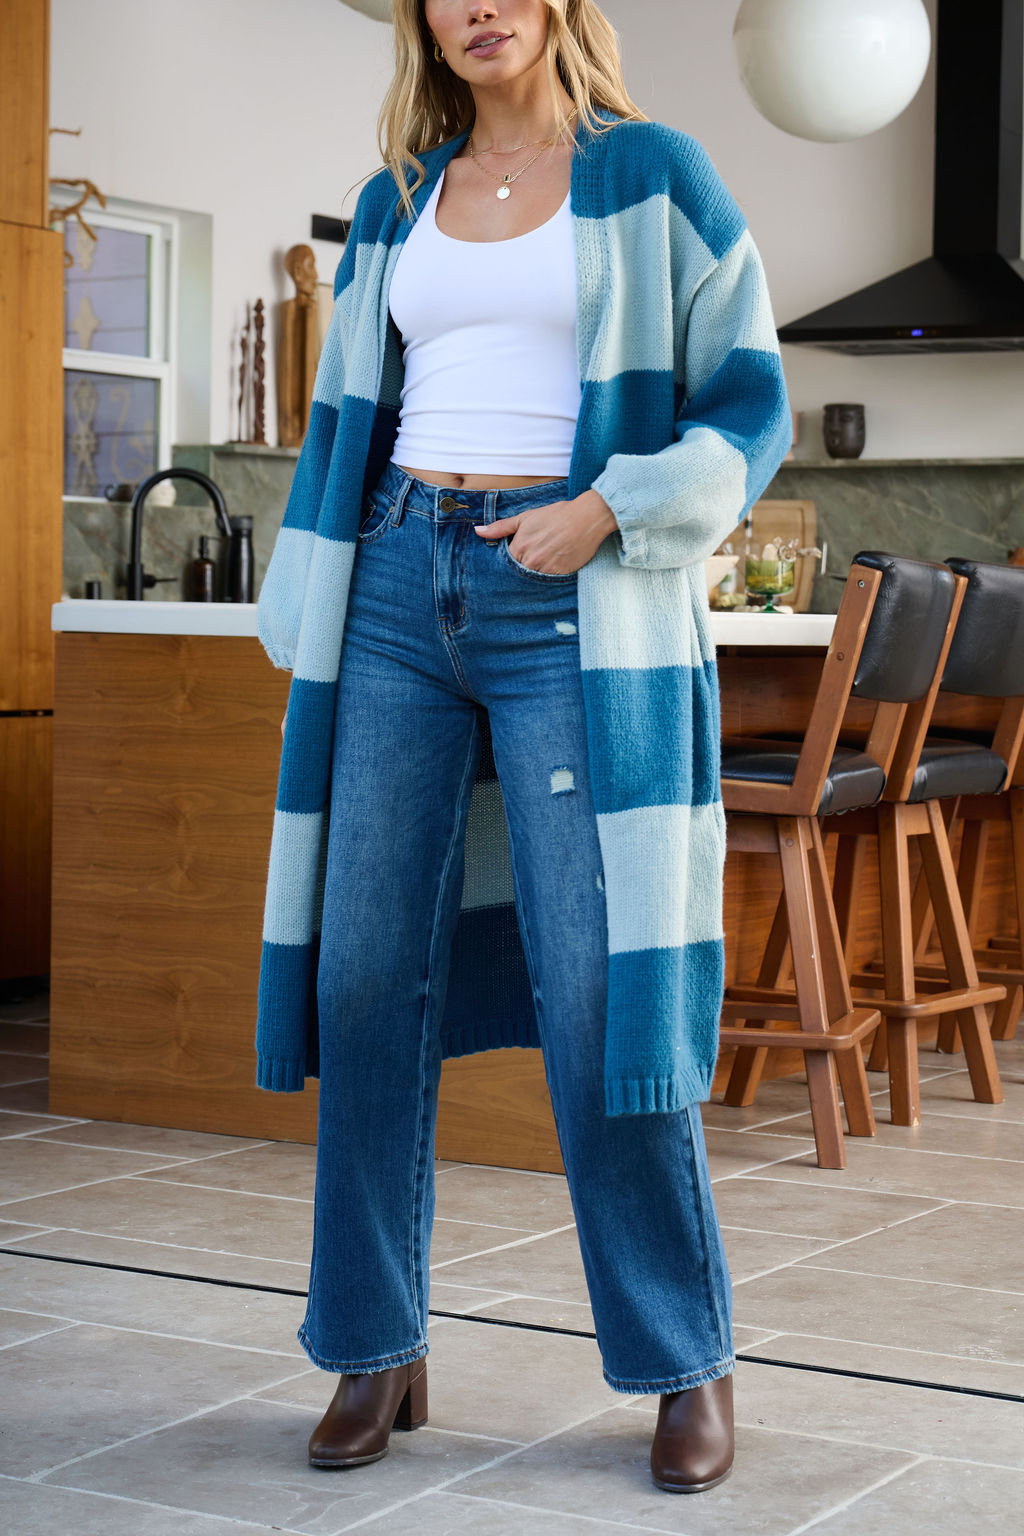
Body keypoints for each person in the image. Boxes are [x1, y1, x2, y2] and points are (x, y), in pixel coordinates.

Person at [256, 0, 791, 1495]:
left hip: (570, 599)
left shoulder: (655, 175)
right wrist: (330, 568)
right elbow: (346, 419)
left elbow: (751, 403)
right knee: (366, 976)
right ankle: (374, 1345)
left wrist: (613, 507)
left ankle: (685, 1363)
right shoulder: (396, 200)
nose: (472, 8)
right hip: (396, 590)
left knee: (596, 985)